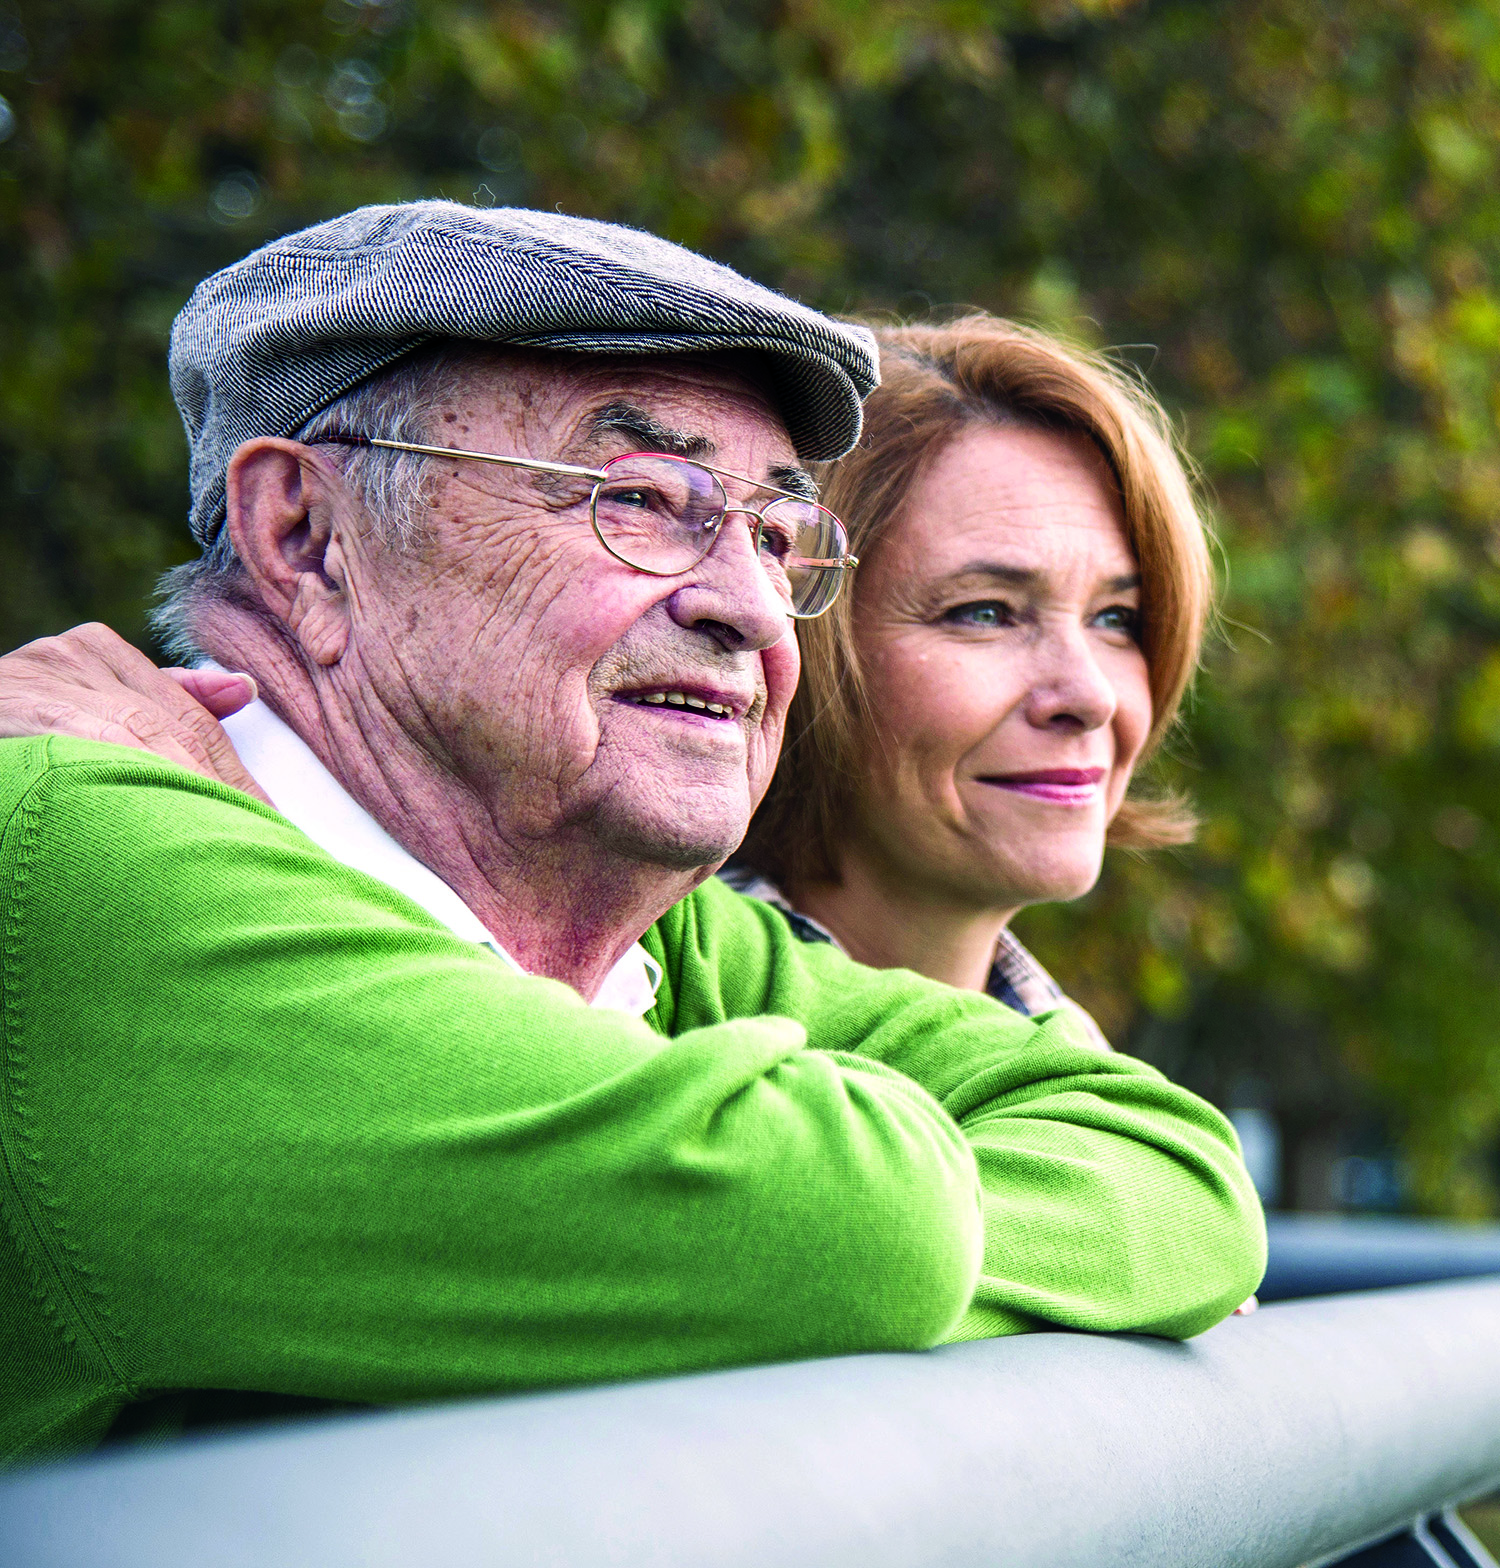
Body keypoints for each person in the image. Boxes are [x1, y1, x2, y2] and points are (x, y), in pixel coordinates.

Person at [0, 201, 1264, 1469]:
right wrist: (864, 1255)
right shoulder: (85, 867)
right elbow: (850, 1232)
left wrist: (847, 1260)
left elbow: (1175, 1172)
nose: (752, 610)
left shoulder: (671, 934)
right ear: (304, 535)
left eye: (776, 534)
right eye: (642, 499)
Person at [729, 316, 1209, 1049]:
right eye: (985, 612)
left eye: (1117, 618)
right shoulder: (628, 1024)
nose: (1090, 697)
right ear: (798, 627)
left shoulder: (1094, 1097)